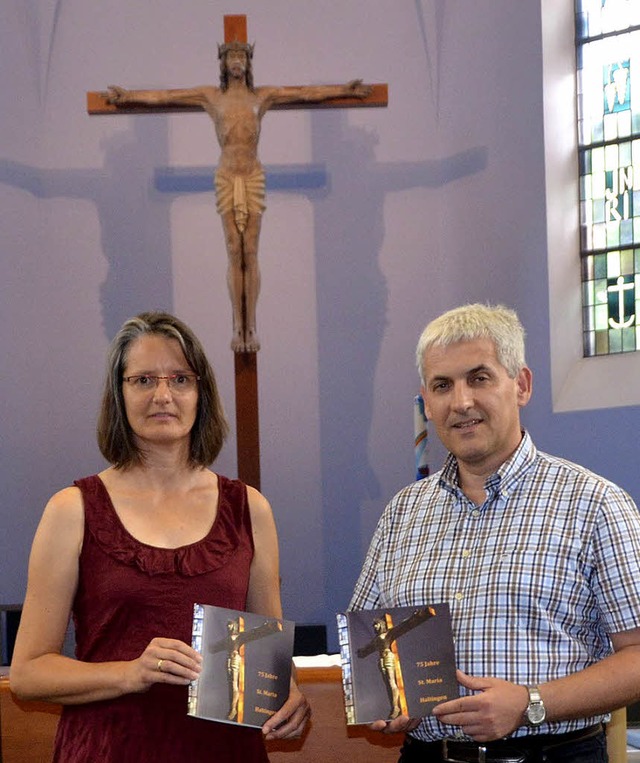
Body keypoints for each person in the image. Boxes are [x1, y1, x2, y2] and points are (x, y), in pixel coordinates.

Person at [10, 310, 309, 762]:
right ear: (119, 392)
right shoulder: (72, 510)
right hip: (108, 749)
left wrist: (290, 699)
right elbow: (29, 675)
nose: (163, 395)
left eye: (180, 379)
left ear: (201, 392)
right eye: (144, 380)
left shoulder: (249, 509)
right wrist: (130, 673)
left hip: (225, 751)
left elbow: (269, 665)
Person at [349, 303, 640, 763]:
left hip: (552, 754)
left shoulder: (595, 504)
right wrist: (385, 700)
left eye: (479, 378)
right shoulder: (402, 513)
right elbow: (367, 649)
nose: (461, 402)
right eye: (442, 385)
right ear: (426, 399)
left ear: (520, 385)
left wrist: (531, 704)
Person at [106, 43, 372, 354]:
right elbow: (166, 98)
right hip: (226, 176)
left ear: (248, 63)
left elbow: (305, 93)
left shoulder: (262, 96)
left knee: (251, 250)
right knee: (234, 248)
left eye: (242, 57)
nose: (237, 62)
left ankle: (251, 325)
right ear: (222, 62)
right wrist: (127, 98)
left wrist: (345, 90)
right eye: (232, 57)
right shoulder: (211, 97)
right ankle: (237, 323)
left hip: (253, 175)